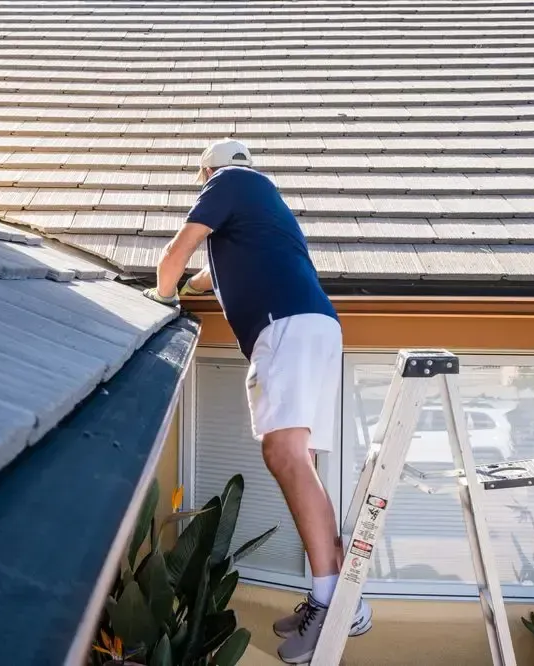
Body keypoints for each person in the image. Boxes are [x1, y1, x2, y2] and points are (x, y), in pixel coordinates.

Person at [142, 138, 372, 663]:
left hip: (284, 327)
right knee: (300, 460)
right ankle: (334, 594)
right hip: (313, 325)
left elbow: (176, 254)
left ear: (208, 172)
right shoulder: (265, 206)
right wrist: (195, 287)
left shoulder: (232, 183)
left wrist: (161, 298)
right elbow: (208, 275)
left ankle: (335, 599)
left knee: (283, 455)